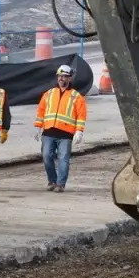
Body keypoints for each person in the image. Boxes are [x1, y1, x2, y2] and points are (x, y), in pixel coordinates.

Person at [33, 64, 87, 192]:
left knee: (64, 159)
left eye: (64, 76)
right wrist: (38, 127)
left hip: (66, 134)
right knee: (46, 156)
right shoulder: (49, 94)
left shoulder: (76, 96)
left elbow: (81, 115)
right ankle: (52, 181)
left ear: (70, 78)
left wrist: (79, 131)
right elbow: (41, 111)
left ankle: (60, 184)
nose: (61, 78)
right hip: (48, 132)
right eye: (60, 76)